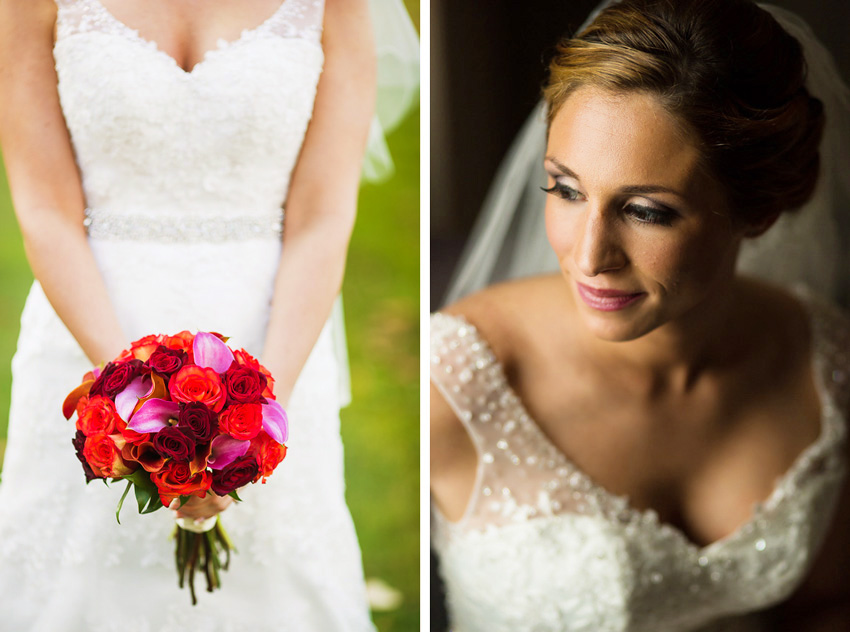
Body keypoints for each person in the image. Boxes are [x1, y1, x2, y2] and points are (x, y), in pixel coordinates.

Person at [430, 0, 850, 629]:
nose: (589, 256)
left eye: (647, 211)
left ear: (756, 211)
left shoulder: (827, 370)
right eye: (566, 190)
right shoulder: (453, 388)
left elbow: (825, 604)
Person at [0, 0, 417, 629]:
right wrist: (127, 402)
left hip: (276, 339)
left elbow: (322, 221)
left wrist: (254, 424)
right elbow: (45, 211)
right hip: (86, 336)